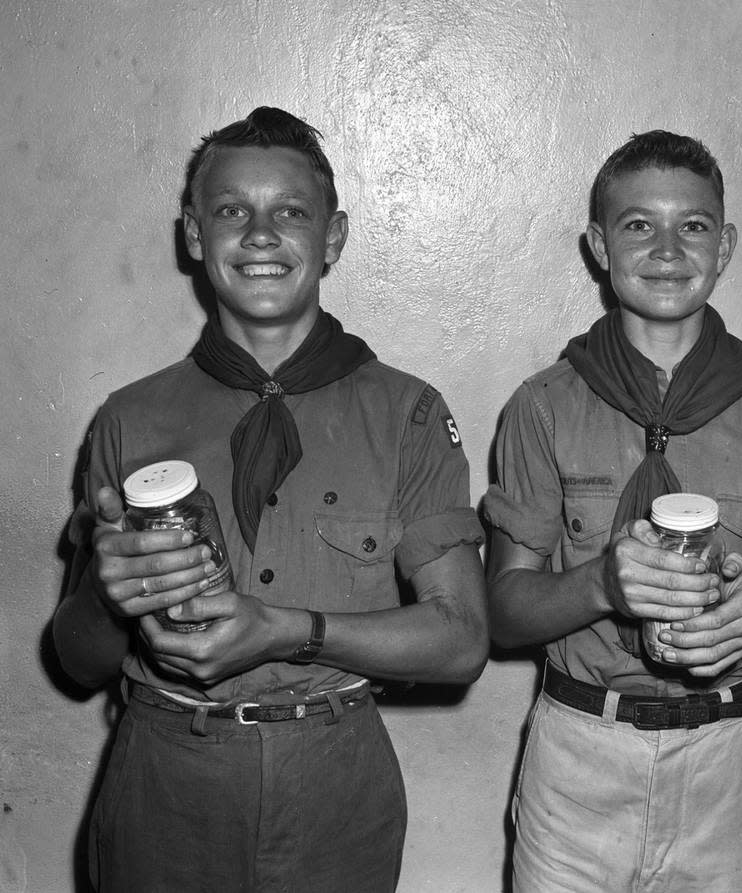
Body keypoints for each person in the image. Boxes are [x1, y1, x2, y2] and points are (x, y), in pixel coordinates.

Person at [52, 107, 489, 892]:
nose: (260, 234)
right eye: (231, 211)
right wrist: (105, 593)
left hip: (334, 776)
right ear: (193, 235)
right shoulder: (129, 418)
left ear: (334, 236)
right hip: (165, 775)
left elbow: (460, 640)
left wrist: (288, 631)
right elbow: (78, 660)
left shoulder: (409, 413)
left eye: (290, 211)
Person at [483, 130, 742, 892]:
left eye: (694, 225)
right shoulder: (543, 406)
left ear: (726, 244)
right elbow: (504, 612)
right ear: (597, 244)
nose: (668, 249)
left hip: (729, 755)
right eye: (638, 224)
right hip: (583, 749)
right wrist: (600, 587)